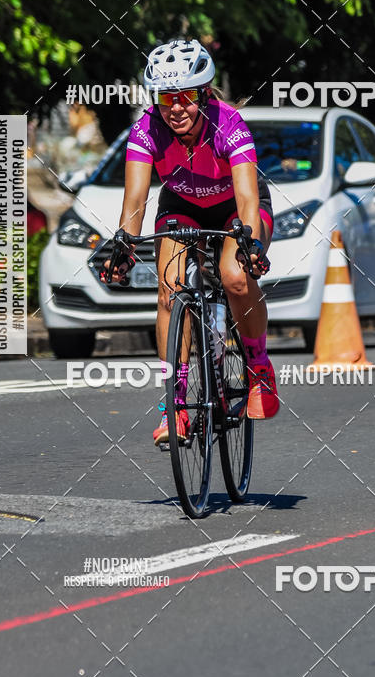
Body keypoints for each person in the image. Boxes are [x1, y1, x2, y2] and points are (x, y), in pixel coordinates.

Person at [105, 38, 279, 445]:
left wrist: (250, 243)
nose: (176, 108)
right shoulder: (146, 129)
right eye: (166, 98)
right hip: (182, 205)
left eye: (185, 97)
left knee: (235, 276)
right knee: (169, 291)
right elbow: (135, 200)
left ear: (203, 94)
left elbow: (247, 197)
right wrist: (124, 246)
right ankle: (175, 404)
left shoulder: (229, 123)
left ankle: (258, 367)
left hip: (236, 207)